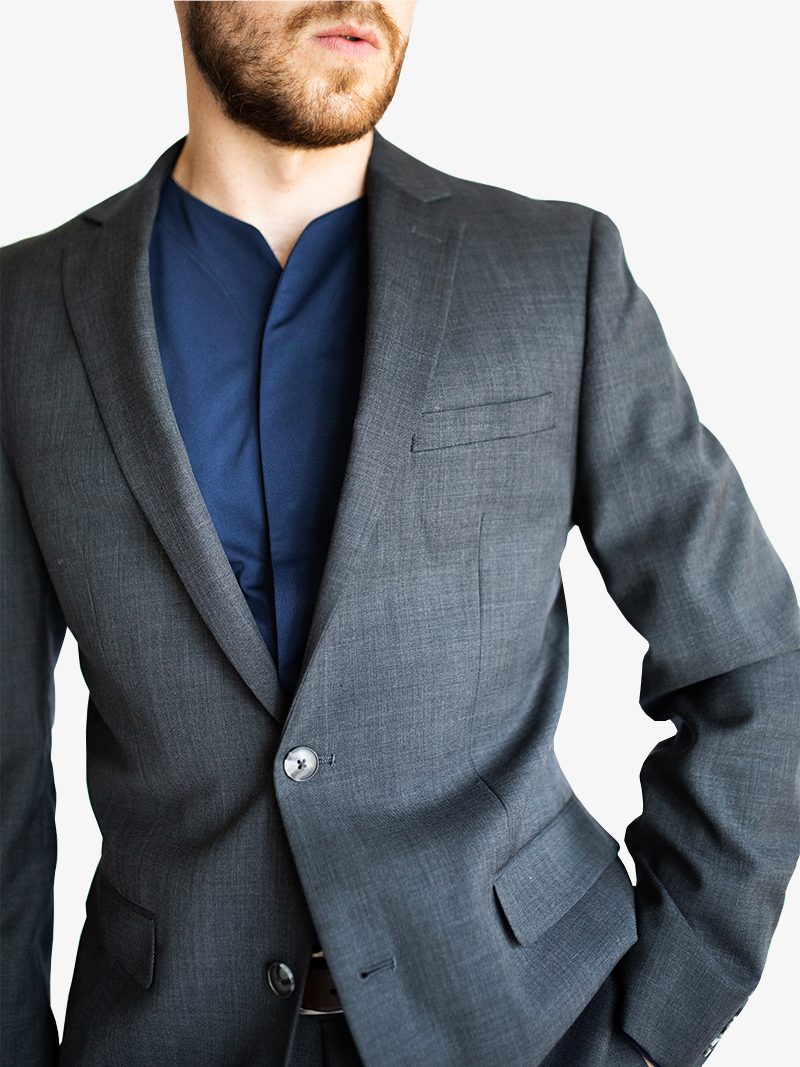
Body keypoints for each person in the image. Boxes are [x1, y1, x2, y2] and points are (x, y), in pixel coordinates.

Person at [2, 2, 798, 1065]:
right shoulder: (24, 317)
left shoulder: (557, 271)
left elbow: (755, 664)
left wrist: (652, 1029)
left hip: (527, 1022)